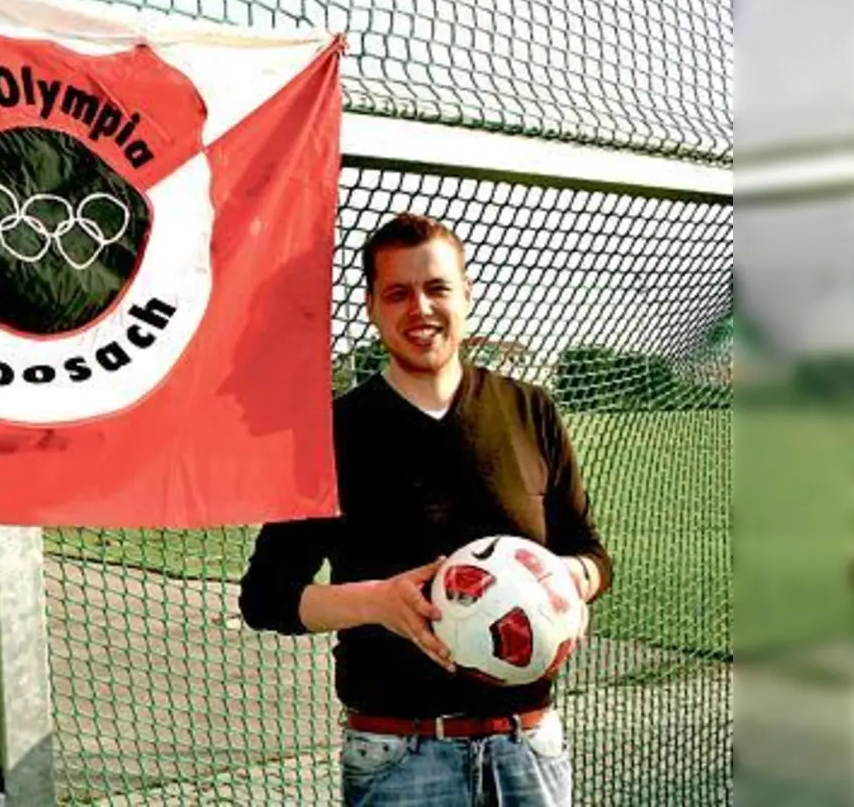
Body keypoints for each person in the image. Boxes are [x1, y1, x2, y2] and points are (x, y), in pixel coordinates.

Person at [239, 213, 612, 807]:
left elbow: (591, 555)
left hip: (529, 746)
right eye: (398, 293)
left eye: (437, 288)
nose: (421, 308)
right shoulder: (330, 433)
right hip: (399, 755)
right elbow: (265, 598)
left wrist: (568, 580)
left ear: (466, 295)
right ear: (371, 307)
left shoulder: (530, 410)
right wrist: (379, 602)